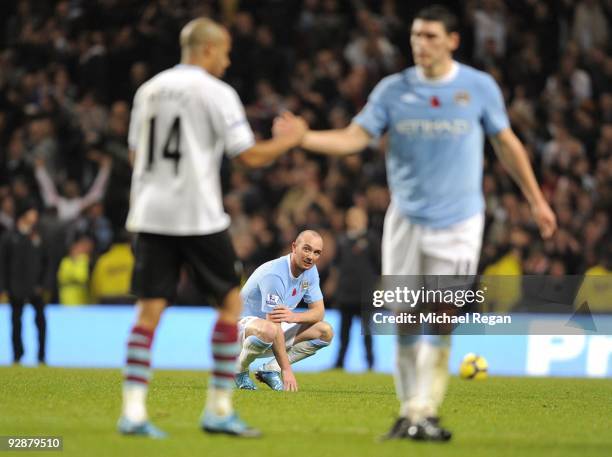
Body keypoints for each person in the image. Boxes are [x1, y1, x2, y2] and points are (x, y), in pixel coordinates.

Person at [279, 5, 557, 441]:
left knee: (441, 314)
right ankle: (410, 410)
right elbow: (355, 137)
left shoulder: (477, 87)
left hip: (460, 220)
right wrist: (305, 137)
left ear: (452, 40)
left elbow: (506, 143)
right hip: (406, 218)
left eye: (430, 36)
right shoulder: (393, 90)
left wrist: (537, 201)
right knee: (406, 315)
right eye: (415, 36)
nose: (420, 44)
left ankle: (426, 409)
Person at [118, 17, 305, 439]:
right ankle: (219, 409)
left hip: (149, 215)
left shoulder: (148, 90)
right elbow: (250, 157)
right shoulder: (217, 93)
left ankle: (132, 413)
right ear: (206, 49)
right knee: (227, 305)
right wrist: (292, 139)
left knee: (148, 311)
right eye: (224, 51)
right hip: (198, 216)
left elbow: (135, 154)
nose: (228, 59)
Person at [235, 230, 333, 392]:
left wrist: (294, 316)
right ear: (294, 247)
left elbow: (319, 313)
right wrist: (287, 370)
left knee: (325, 331)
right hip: (239, 331)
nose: (311, 256)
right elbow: (273, 324)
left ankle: (270, 369)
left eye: (316, 253)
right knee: (270, 329)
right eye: (306, 249)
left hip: (269, 330)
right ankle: (239, 370)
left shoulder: (311, 271)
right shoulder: (275, 275)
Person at [0, 200, 52, 365]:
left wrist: (43, 285)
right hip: (15, 288)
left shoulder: (39, 236)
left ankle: (41, 356)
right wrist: (4, 287)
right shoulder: (9, 237)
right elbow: (2, 264)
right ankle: (17, 355)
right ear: (24, 214)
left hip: (35, 288)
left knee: (41, 322)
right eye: (32, 212)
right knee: (16, 322)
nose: (35, 216)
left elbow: (47, 262)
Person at [332, 207, 379, 370]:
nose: (355, 220)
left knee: (367, 332)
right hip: (346, 294)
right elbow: (336, 265)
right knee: (344, 332)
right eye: (352, 217)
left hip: (365, 294)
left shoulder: (371, 239)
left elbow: (379, 265)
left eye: (358, 217)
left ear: (365, 219)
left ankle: (370, 364)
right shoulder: (342, 240)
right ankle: (339, 363)